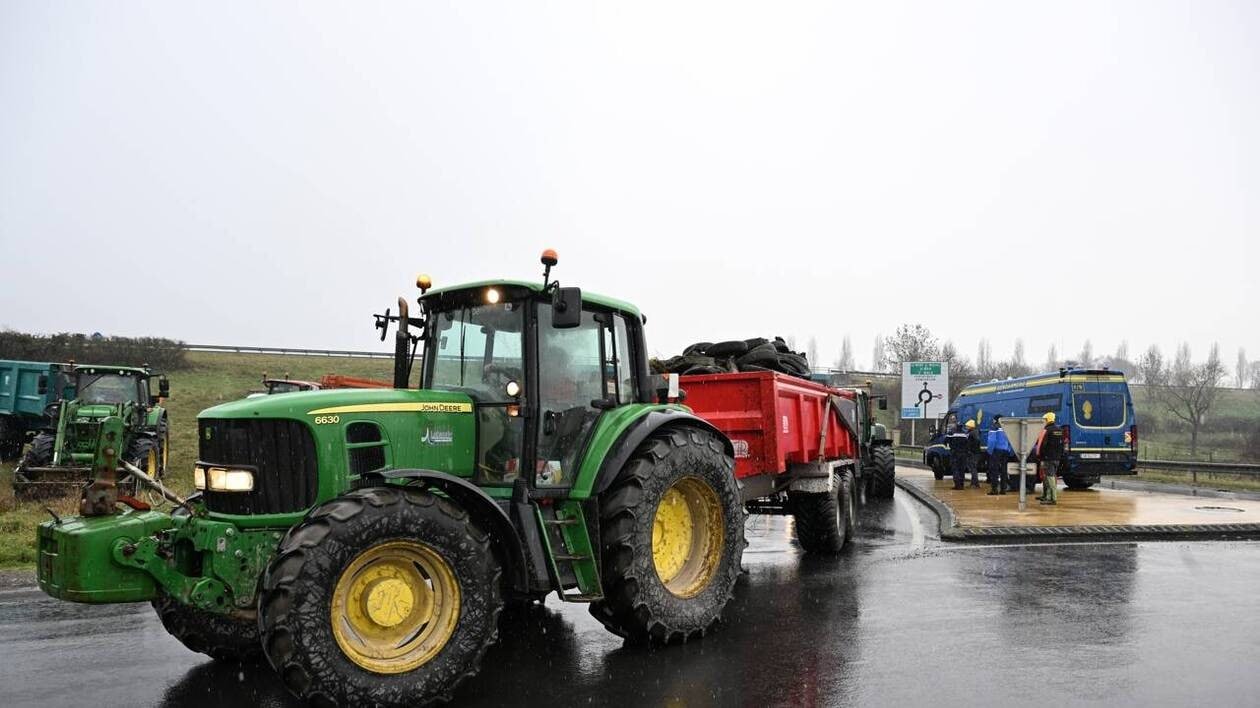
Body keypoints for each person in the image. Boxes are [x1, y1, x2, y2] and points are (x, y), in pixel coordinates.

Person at [1035, 412, 1064, 505]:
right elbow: (1062, 444)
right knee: (1052, 476)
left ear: (1046, 420)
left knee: (1048, 477)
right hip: (1057, 458)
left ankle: (1052, 498)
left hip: (1047, 458)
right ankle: (1046, 495)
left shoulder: (1046, 430)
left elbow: (1041, 444)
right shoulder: (1059, 430)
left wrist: (1039, 455)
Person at [986, 416, 1014, 496]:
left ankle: (994, 490)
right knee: (1004, 471)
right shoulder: (1006, 427)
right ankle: (1003, 489)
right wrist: (1009, 450)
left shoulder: (994, 427)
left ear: (995, 420)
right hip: (1005, 451)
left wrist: (990, 451)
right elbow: (1011, 440)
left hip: (996, 451)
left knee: (994, 471)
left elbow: (992, 440)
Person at [945, 422, 970, 490]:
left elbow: (946, 440)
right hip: (963, 454)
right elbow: (968, 443)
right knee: (962, 469)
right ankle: (961, 485)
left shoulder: (952, 433)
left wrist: (951, 445)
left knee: (955, 468)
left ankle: (957, 485)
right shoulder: (965, 434)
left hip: (955, 453)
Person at [964, 419, 982, 488]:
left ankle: (976, 483)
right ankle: (973, 483)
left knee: (972, 468)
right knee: (972, 468)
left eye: (967, 426)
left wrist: (970, 449)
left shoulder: (972, 433)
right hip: (975, 452)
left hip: (973, 453)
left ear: (970, 426)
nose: (966, 427)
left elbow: (975, 442)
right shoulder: (975, 432)